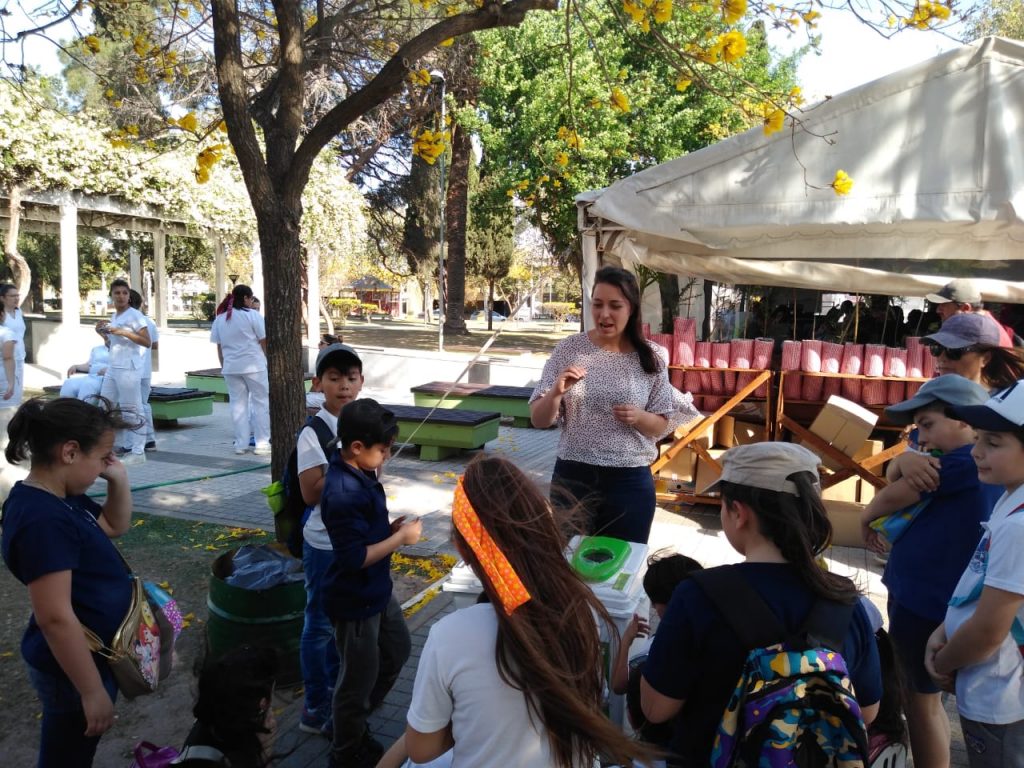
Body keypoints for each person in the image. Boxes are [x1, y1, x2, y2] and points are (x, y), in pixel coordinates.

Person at [403, 455, 657, 768]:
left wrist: (465, 718)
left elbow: (420, 749)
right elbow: (598, 698)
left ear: (463, 548)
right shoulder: (581, 613)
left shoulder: (450, 635)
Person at [641, 442, 882, 768]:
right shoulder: (845, 600)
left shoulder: (696, 595)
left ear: (739, 513)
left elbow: (656, 709)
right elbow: (866, 711)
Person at [860, 375, 998, 768]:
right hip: (938, 597)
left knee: (920, 705)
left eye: (928, 424)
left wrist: (866, 518)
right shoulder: (974, 461)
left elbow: (892, 495)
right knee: (928, 702)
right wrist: (906, 456)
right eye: (918, 427)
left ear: (966, 421)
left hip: (925, 600)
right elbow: (897, 476)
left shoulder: (958, 463)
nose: (922, 436)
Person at [0, 397, 136, 767]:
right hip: (71, 671)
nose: (102, 467)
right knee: (65, 757)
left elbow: (113, 526)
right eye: (102, 457)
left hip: (88, 657)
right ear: (70, 452)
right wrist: (91, 691)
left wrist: (118, 478)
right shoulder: (41, 519)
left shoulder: (63, 498)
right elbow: (55, 617)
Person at [529, 266, 699, 543]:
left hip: (629, 481)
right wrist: (556, 393)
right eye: (597, 305)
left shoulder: (652, 357)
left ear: (631, 309)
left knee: (621, 566)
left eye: (614, 305)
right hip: (574, 477)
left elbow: (660, 425)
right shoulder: (569, 349)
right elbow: (538, 419)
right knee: (568, 565)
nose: (604, 314)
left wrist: (639, 417)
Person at [925, 380, 1024, 767]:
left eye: (994, 443)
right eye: (979, 438)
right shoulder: (1010, 499)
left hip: (998, 695)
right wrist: (943, 632)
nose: (977, 452)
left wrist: (944, 662)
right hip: (989, 681)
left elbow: (987, 631)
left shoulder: (1019, 526)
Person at [321, 398, 421, 768]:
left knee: (397, 650)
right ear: (357, 447)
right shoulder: (342, 491)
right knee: (355, 683)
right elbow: (352, 558)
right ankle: (345, 749)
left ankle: (353, 721)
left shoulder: (362, 474)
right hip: (355, 601)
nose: (389, 454)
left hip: (377, 592)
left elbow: (365, 536)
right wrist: (399, 540)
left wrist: (389, 529)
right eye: (384, 449)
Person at [296, 343, 364, 736]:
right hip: (323, 545)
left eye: (350, 378)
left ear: (361, 382)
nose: (343, 386)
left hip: (356, 541)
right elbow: (311, 493)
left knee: (344, 626)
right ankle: (315, 706)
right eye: (334, 378)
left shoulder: (362, 423)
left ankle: (340, 698)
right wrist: (351, 461)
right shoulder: (314, 432)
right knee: (319, 625)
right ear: (318, 383)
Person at [611, 552, 703, 749]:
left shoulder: (656, 656)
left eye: (654, 601)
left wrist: (626, 642)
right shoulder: (708, 636)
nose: (652, 607)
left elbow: (619, 686)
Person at [173, 645, 278, 767]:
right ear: (262, 704)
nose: (271, 715)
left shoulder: (216, 716)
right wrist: (264, 752)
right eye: (268, 707)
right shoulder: (219, 757)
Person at [210, 284, 270, 456]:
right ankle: (262, 443)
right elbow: (263, 340)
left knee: (238, 406)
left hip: (231, 368)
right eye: (251, 299)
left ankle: (241, 444)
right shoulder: (252, 316)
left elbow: (219, 347)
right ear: (245, 298)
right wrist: (267, 360)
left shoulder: (220, 319)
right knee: (260, 403)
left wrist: (224, 365)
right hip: (254, 365)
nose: (252, 302)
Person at [97, 279, 151, 464]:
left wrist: (123, 332)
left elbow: (147, 341)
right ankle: (101, 446)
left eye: (124, 293)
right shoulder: (115, 317)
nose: (121, 296)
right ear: (111, 295)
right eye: (117, 293)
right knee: (104, 406)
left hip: (129, 368)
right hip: (114, 366)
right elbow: (112, 344)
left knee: (132, 408)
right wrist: (103, 334)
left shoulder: (135, 316)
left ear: (129, 296)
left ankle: (138, 452)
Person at [923, 313, 1024, 392]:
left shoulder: (1005, 407)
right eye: (937, 348)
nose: (942, 358)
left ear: (985, 358)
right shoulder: (927, 394)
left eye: (954, 350)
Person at [926, 278, 1016, 348]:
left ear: (965, 308)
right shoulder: (981, 325)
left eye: (944, 305)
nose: (938, 310)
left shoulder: (982, 332)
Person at [129, 290, 159, 452]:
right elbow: (154, 345)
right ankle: (149, 439)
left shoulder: (125, 323)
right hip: (145, 370)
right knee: (143, 404)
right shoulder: (149, 322)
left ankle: (135, 442)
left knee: (132, 406)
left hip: (130, 370)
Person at [60, 332, 110, 402]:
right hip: (92, 376)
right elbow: (89, 365)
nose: (106, 336)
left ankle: (83, 410)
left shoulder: (121, 351)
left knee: (88, 384)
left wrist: (109, 370)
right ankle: (65, 408)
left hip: (107, 379)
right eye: (105, 334)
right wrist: (76, 366)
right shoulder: (96, 349)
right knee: (69, 383)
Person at [1, 283, 26, 404]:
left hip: (20, 358)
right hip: (6, 359)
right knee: (7, 395)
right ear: (2, 297)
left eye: (17, 295)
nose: (16, 298)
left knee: (17, 395)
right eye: (12, 296)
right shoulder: (2, 315)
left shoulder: (19, 311)